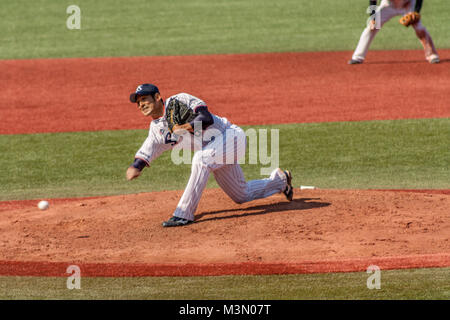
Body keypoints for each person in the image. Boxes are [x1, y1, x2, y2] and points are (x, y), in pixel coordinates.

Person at [126, 84, 294, 227]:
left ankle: (183, 214)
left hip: (230, 137)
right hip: (214, 150)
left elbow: (206, 118)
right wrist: (136, 167)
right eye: (138, 102)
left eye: (144, 99)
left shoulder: (178, 100)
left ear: (157, 97)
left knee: (201, 160)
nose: (141, 104)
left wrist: (185, 127)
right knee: (241, 195)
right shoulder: (156, 130)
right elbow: (146, 151)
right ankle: (280, 180)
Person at [349, 0, 440, 64]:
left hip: (407, 5)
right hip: (389, 5)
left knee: (418, 27)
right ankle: (357, 57)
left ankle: (432, 55)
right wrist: (372, 17)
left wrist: (416, 12)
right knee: (371, 27)